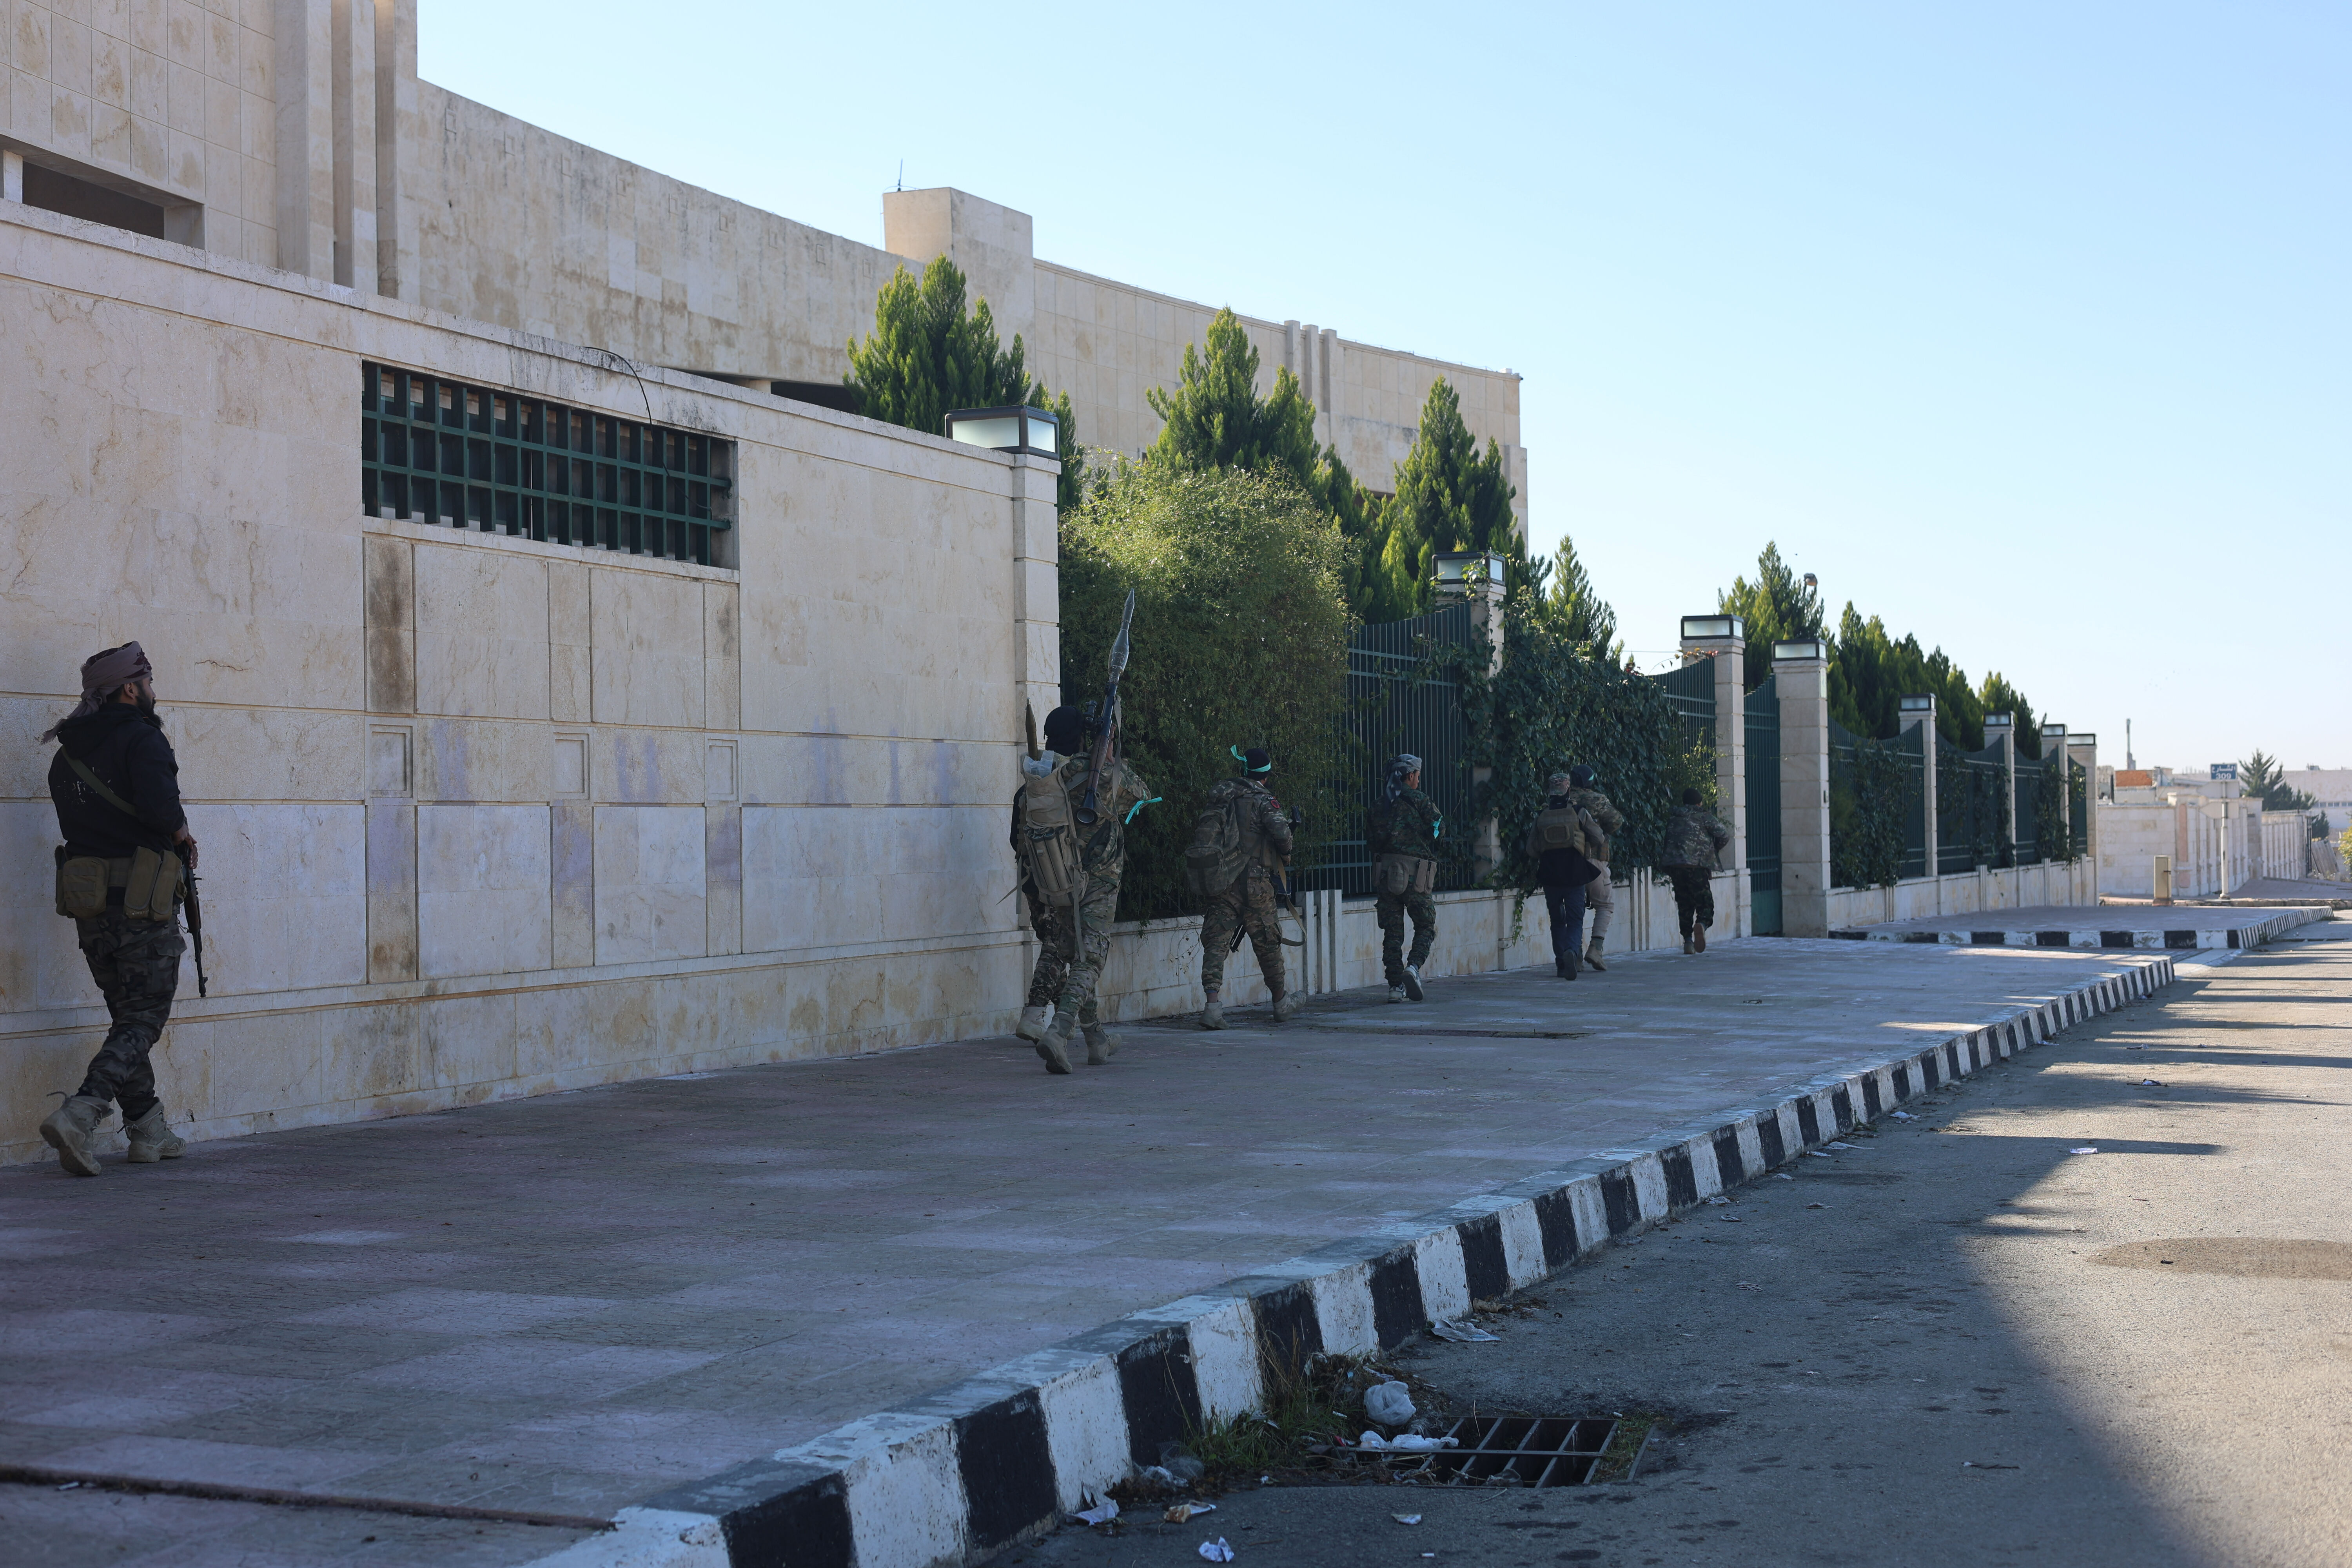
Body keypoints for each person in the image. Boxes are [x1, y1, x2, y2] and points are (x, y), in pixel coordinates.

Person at [36, 642, 198, 1177]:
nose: (153, 691)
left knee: (127, 1019)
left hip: (90, 907)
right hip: (141, 905)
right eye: (148, 681)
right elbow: (159, 810)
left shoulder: (66, 755)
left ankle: (150, 1129)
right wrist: (181, 833)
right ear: (130, 689)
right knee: (145, 1018)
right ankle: (81, 1113)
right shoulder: (141, 739)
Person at [1014, 704, 1154, 1073]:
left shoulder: (1042, 778)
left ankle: (1095, 1040)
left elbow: (1019, 839)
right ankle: (1059, 1032)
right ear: (1085, 738)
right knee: (1090, 958)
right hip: (1099, 882)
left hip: (1058, 877)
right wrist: (1107, 757)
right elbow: (1142, 792)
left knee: (1062, 947)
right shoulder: (1099, 775)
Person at [1197, 748, 1298, 1029]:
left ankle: (1212, 1007)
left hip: (1223, 880)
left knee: (1216, 944)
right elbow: (1283, 836)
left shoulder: (1222, 796)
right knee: (1268, 943)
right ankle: (1280, 1003)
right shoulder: (1264, 800)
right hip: (1256, 884)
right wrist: (1286, 849)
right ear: (1265, 775)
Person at [1370, 753, 1441, 1003]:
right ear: (1410, 776)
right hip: (1416, 876)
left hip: (1386, 876)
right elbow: (1437, 829)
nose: (1419, 781)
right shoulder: (1421, 801)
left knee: (1392, 932)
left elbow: (1372, 840)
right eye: (1418, 776)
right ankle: (1413, 967)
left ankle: (1395, 987)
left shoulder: (1381, 804)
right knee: (1425, 925)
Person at [1523, 774, 1604, 978]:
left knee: (1557, 919)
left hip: (1550, 875)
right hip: (1575, 873)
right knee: (1576, 919)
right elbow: (1599, 837)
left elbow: (1531, 850)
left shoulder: (1542, 815)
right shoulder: (1578, 812)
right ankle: (1571, 951)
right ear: (1568, 790)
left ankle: (1561, 962)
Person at [1562, 763, 1625, 972]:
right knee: (1605, 905)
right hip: (1594, 860)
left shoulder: (1561, 799)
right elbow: (1616, 821)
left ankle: (1575, 954)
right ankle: (1596, 949)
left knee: (1574, 908)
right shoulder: (1596, 799)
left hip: (1566, 862)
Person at [1661, 786, 1732, 953]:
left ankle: (1687, 942)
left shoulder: (1674, 818)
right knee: (1705, 903)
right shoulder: (1704, 817)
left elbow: (1668, 841)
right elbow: (1724, 836)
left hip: (1676, 866)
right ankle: (1702, 924)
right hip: (1697, 866)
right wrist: (1711, 851)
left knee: (1684, 904)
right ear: (1700, 803)